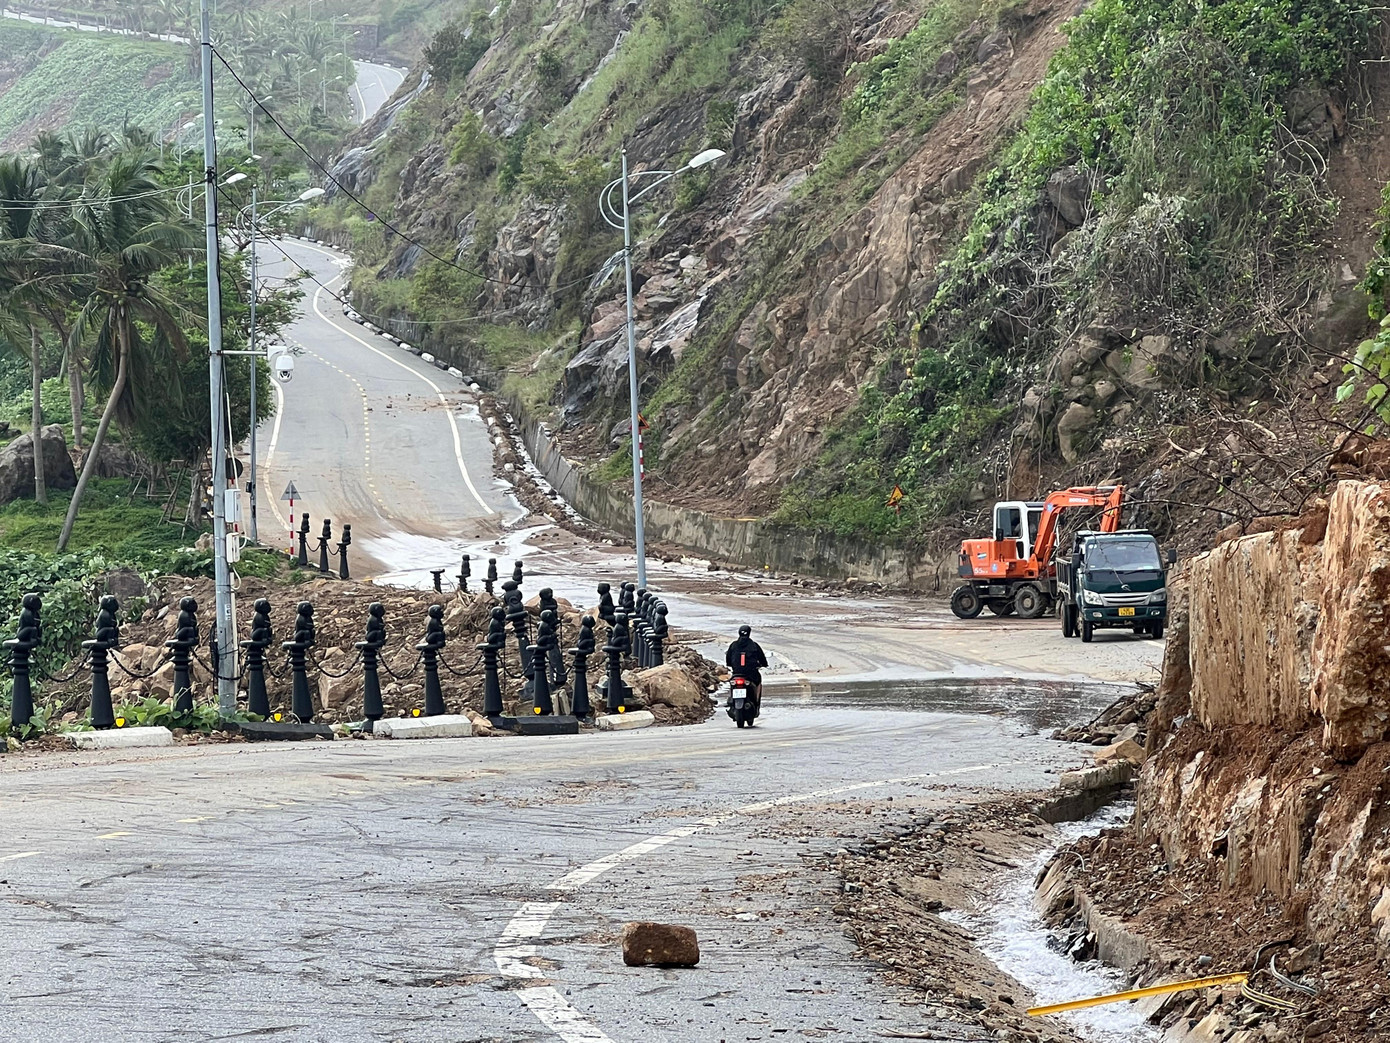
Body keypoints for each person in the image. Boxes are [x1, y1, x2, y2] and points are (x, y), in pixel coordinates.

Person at [725, 624, 768, 708]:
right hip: (751, 674)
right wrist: (764, 664)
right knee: (758, 681)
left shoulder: (733, 645)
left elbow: (728, 659)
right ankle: (756, 701)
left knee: (732, 683)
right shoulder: (754, 645)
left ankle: (731, 697)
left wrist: (732, 665)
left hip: (737, 673)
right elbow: (762, 658)